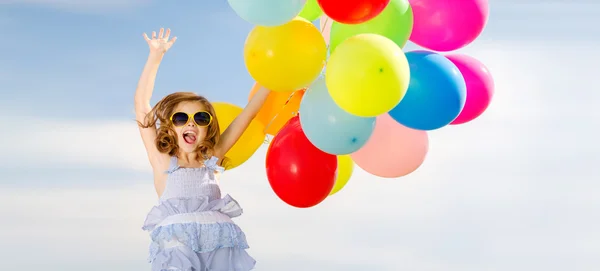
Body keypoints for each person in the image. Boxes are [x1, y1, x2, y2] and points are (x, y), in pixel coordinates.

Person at [135, 28, 270, 271]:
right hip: (178, 245)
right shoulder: (163, 162)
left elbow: (247, 114)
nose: (190, 123)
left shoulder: (213, 159)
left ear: (208, 128)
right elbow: (142, 108)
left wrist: (273, 82)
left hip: (218, 244)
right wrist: (155, 57)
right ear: (170, 128)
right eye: (181, 118)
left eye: (200, 118)